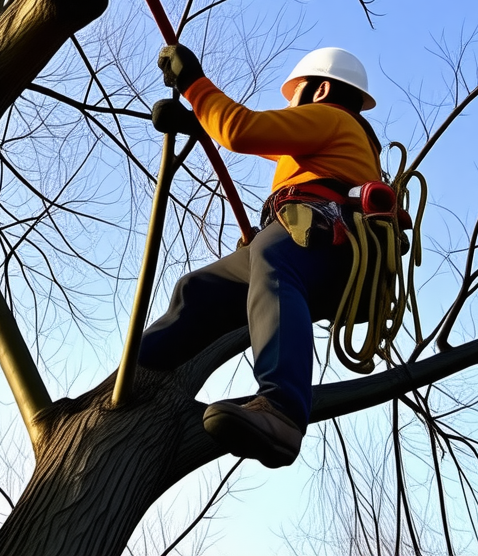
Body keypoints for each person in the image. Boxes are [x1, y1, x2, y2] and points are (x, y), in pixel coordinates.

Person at [141, 44, 382, 468]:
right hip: (304, 237)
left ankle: (282, 410)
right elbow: (255, 136)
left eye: (294, 97)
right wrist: (198, 123)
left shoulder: (332, 120)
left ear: (320, 90)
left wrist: (194, 84)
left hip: (331, 242)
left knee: (272, 254)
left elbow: (241, 130)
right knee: (199, 291)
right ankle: (138, 373)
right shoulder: (325, 137)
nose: (289, 107)